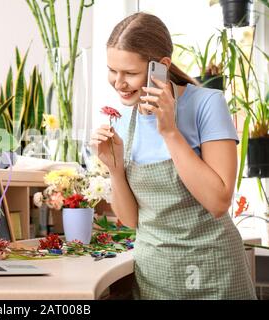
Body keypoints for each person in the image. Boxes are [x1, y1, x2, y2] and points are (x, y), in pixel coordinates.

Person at [90, 12, 256, 300]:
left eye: (129, 73)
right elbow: (131, 221)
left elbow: (218, 202)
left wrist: (170, 132)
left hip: (215, 273)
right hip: (155, 276)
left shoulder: (207, 105)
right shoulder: (121, 121)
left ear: (161, 66)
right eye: (112, 70)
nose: (118, 83)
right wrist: (114, 169)